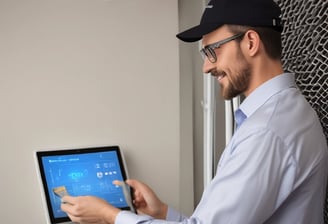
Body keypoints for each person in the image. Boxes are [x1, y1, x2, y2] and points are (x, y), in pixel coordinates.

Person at [61, 0, 328, 223]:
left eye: (213, 51)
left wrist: (110, 216)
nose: (206, 67)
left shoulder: (268, 131)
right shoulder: (283, 114)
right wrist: (163, 213)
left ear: (250, 42)